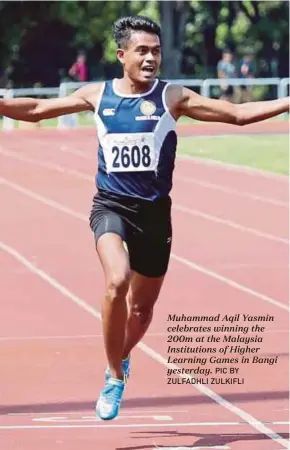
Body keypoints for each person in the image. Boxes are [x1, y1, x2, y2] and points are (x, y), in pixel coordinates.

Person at [0, 15, 289, 421]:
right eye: (142, 51)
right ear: (122, 56)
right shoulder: (98, 96)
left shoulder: (172, 97)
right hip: (111, 208)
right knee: (116, 279)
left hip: (155, 216)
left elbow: (237, 114)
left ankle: (122, 355)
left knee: (141, 310)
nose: (151, 57)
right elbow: (35, 108)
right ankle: (115, 376)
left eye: (155, 50)